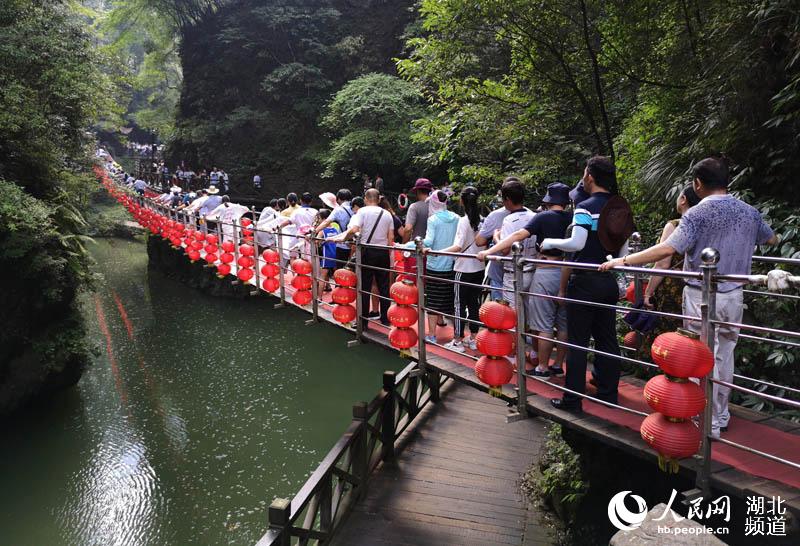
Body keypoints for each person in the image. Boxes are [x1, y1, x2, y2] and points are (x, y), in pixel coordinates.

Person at [600, 156, 778, 437]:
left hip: (700, 295)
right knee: (724, 356)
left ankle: (699, 415)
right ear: (726, 181)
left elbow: (668, 250)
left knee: (697, 356)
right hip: (734, 295)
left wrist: (623, 261)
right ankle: (718, 417)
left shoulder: (696, 214)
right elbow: (771, 239)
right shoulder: (749, 212)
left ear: (697, 184)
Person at [543, 156, 634, 411]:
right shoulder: (621, 208)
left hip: (584, 282)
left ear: (590, 177)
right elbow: (622, 250)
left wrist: (551, 243)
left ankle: (572, 399)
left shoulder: (585, 206)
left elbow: (577, 243)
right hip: (607, 281)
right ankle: (608, 394)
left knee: (578, 342)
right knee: (607, 339)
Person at [478, 182, 572, 377]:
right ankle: (558, 365)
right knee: (563, 324)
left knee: (541, 323)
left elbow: (518, 236)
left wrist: (490, 247)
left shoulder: (542, 217)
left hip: (544, 272)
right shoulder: (573, 218)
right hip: (568, 273)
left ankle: (541, 366)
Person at [400, 190, 459, 344]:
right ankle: (458, 336)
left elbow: (429, 241)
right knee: (451, 300)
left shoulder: (433, 220)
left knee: (432, 300)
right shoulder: (456, 218)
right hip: (453, 264)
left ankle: (432, 335)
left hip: (435, 264)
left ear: (433, 202)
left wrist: (407, 245)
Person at [331, 189, 394, 327]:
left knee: (364, 286)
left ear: (366, 199)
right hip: (383, 252)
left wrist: (342, 239)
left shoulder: (362, 212)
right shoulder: (387, 214)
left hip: (367, 251)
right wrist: (388, 254)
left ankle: (363, 322)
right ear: (378, 199)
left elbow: (353, 230)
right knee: (383, 286)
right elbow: (391, 238)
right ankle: (385, 319)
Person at [438, 187, 486, 352]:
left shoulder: (463, 221)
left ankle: (458, 340)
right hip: (479, 269)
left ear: (462, 201)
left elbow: (458, 246)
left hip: (463, 269)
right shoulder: (482, 220)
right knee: (474, 304)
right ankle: (473, 338)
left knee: (459, 305)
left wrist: (439, 253)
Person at [641, 184, 701, 312]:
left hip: (673, 286)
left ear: (683, 199)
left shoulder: (675, 226)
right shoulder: (706, 225)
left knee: (669, 329)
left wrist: (648, 293)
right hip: (698, 284)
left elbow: (662, 264)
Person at [475, 177, 523, 300]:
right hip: (525, 271)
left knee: (502, 314)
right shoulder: (531, 215)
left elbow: (480, 241)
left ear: (506, 197)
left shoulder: (497, 216)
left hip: (501, 272)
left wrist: (495, 236)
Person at [315, 189, 354, 271]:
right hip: (356, 244)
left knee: (341, 270)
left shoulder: (338, 210)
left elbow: (326, 222)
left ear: (339, 198)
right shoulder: (356, 208)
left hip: (342, 244)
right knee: (354, 270)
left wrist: (314, 231)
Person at [401, 178, 433, 243]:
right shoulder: (437, 207)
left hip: (417, 247)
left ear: (418, 191)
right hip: (433, 248)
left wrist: (403, 245)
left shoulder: (414, 207)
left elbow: (408, 229)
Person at [316, 209, 340, 292]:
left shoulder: (322, 231)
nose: (318, 220)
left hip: (327, 256)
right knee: (338, 276)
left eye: (319, 218)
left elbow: (316, 242)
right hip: (336, 254)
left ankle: (319, 298)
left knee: (322, 277)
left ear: (324, 219)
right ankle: (338, 294)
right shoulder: (336, 228)